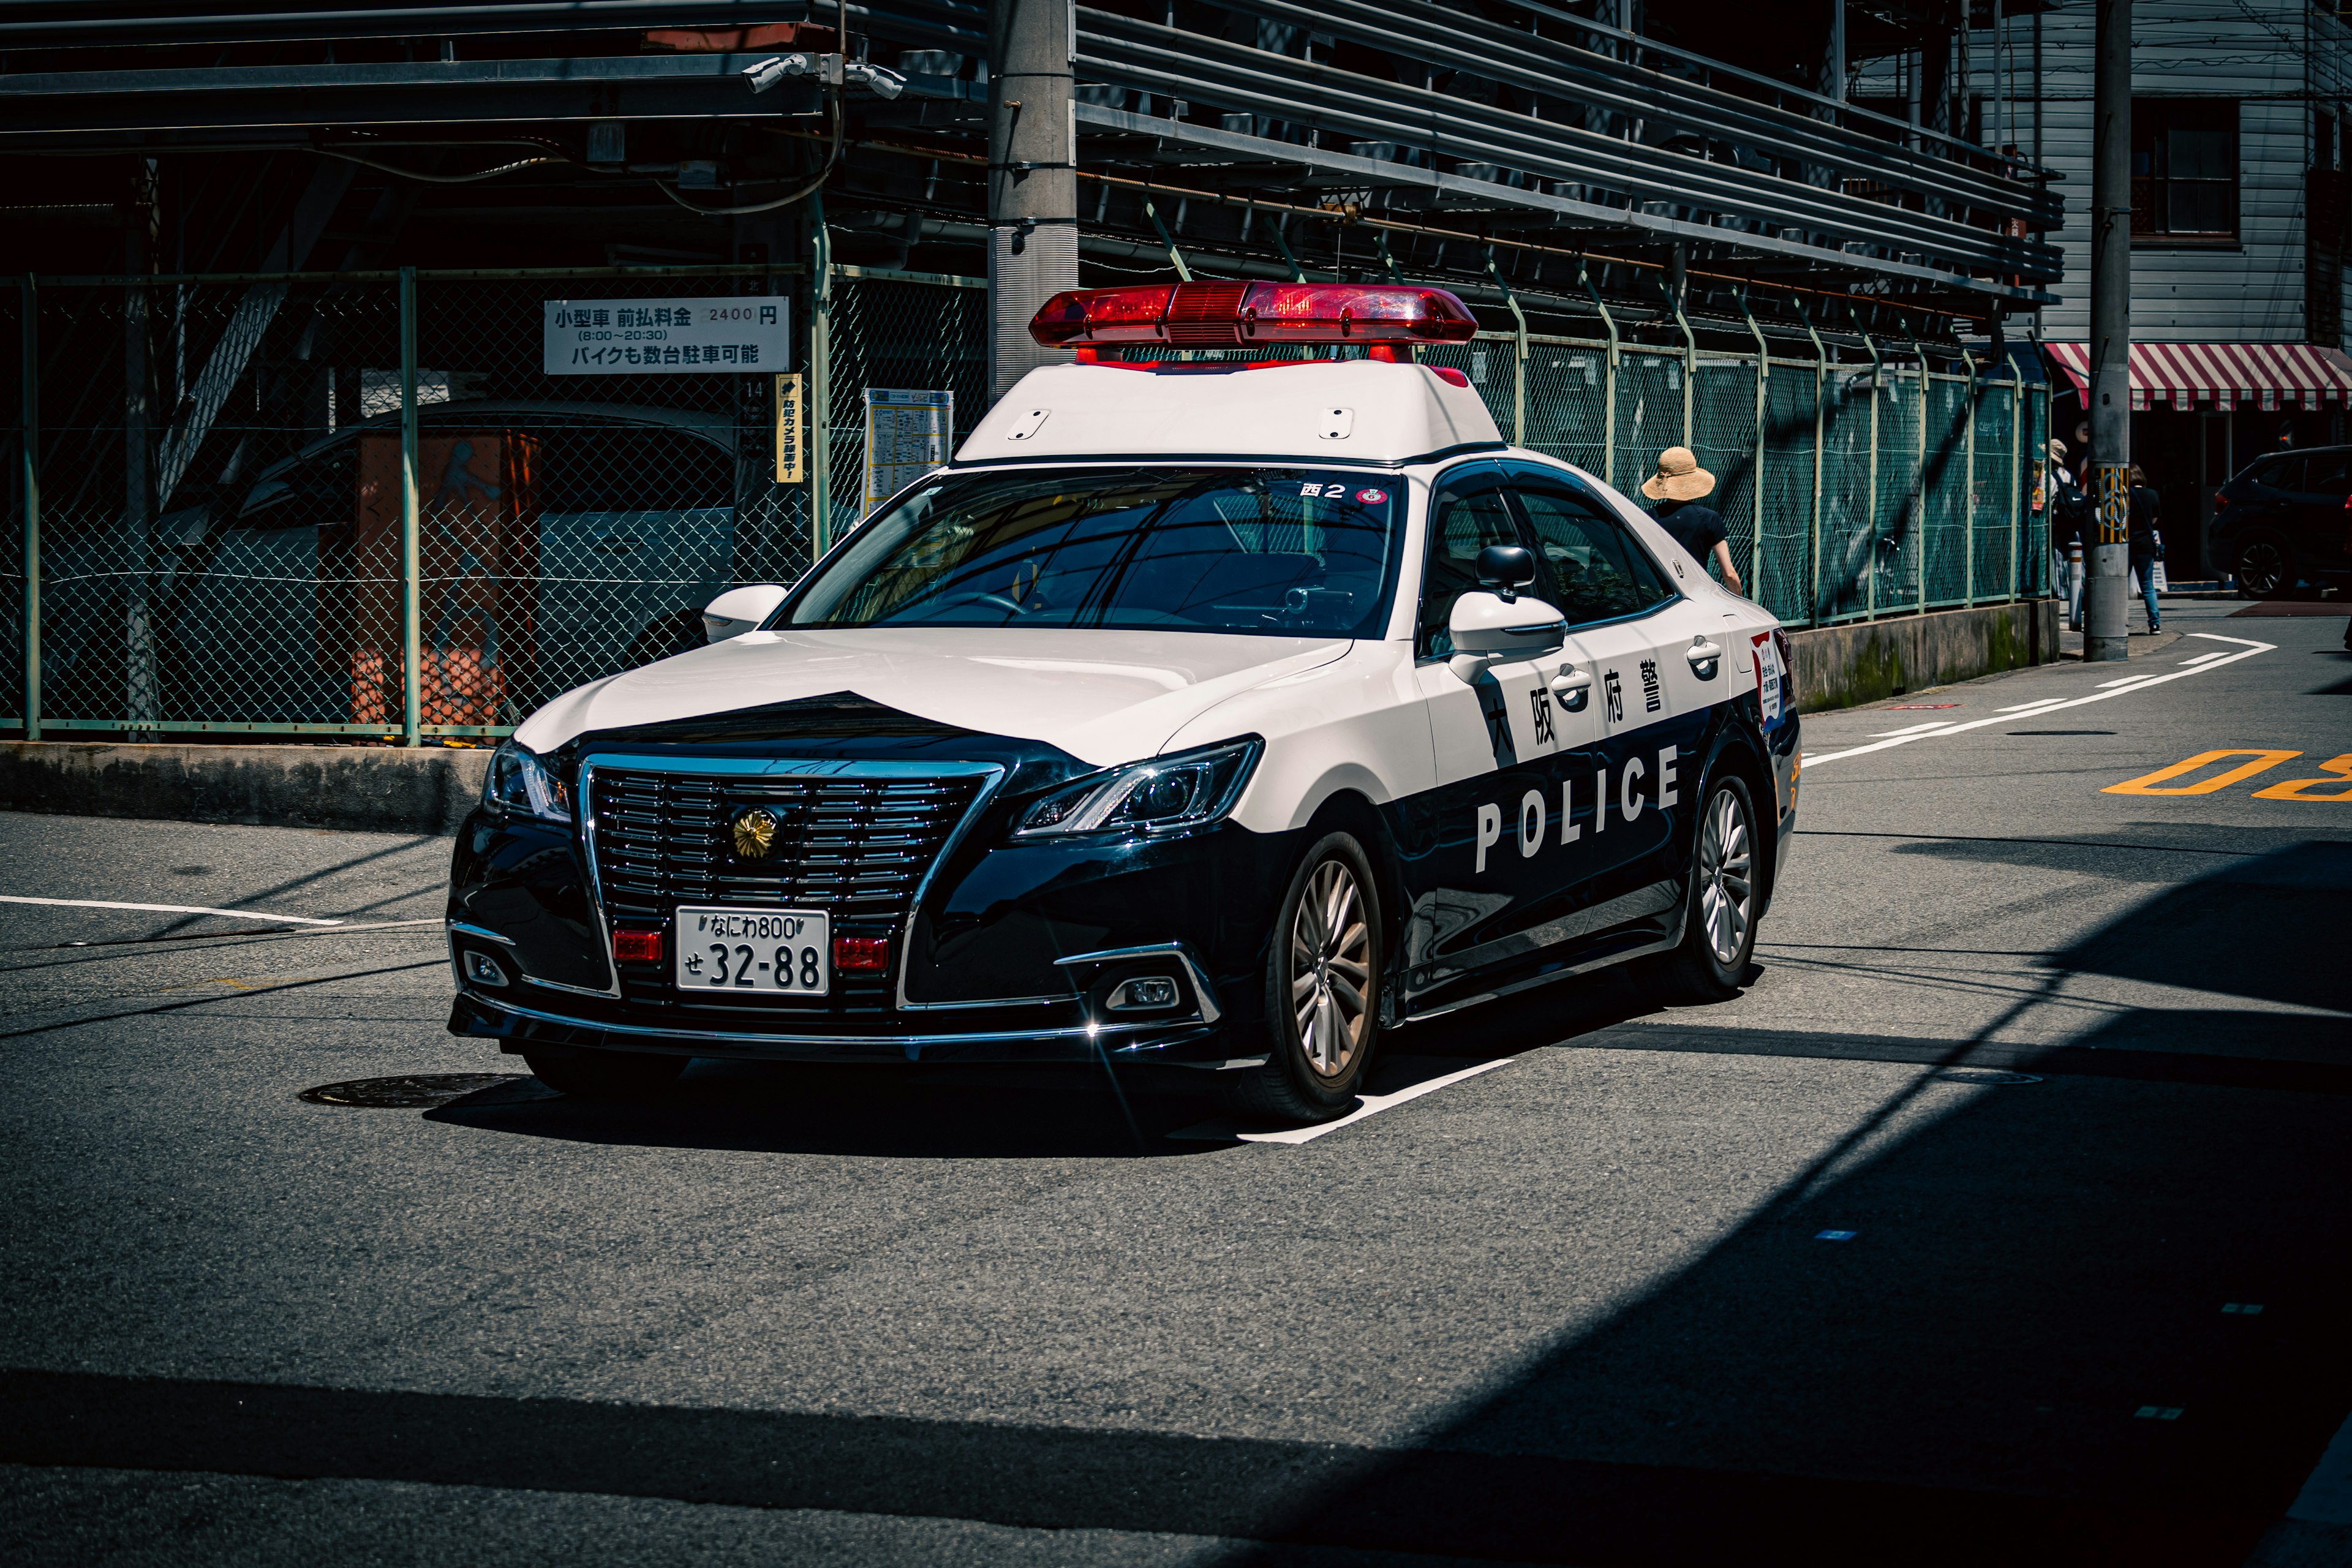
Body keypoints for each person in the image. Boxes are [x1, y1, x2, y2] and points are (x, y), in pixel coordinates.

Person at [1640, 445, 1743, 595]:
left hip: (1659, 597)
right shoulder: (1709, 518)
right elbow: (1729, 573)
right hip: (1697, 594)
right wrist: (1740, 601)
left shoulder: (1648, 517)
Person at [2127, 463, 2163, 633]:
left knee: (2119, 585)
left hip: (2126, 545)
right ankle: (2155, 624)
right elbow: (2155, 520)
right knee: (2148, 586)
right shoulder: (2152, 494)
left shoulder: (2124, 496)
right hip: (2146, 544)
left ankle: (2118, 621)